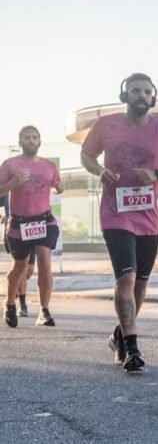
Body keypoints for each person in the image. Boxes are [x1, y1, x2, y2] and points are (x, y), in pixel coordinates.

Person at [80, 73, 158, 372]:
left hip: (148, 219)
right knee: (125, 279)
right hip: (115, 214)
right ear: (124, 95)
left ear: (152, 97)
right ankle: (132, 347)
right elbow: (86, 154)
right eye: (134, 91)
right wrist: (100, 170)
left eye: (145, 91)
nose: (140, 95)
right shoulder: (106, 125)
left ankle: (119, 336)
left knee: (140, 283)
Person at [0, 125, 63, 328]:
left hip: (45, 221)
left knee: (45, 264)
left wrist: (60, 187)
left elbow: (57, 185)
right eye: (27, 137)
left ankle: (44, 311)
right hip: (19, 223)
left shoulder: (49, 165)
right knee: (20, 268)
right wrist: (13, 182)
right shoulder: (9, 164)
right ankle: (10, 303)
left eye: (35, 137)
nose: (31, 140)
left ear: (40, 141)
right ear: (20, 142)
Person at [2, 194, 35, 317]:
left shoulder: (30, 187)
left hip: (32, 231)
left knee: (29, 271)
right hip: (14, 233)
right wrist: (3, 217)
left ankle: (14, 287)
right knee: (22, 268)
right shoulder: (6, 191)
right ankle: (22, 305)